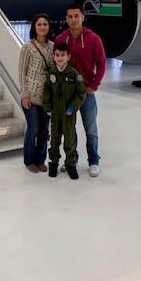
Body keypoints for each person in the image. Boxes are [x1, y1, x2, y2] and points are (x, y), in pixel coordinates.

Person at [53, 3, 106, 177]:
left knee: (91, 130)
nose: (74, 19)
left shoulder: (93, 39)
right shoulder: (61, 39)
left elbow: (102, 64)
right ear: (66, 19)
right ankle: (72, 159)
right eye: (70, 16)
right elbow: (56, 63)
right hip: (67, 94)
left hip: (86, 94)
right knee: (69, 130)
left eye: (77, 16)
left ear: (83, 17)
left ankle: (94, 162)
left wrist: (93, 86)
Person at [42, 43, 87, 179]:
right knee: (55, 140)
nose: (60, 58)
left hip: (68, 114)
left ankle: (71, 165)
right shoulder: (51, 73)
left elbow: (81, 93)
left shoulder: (74, 74)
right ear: (53, 57)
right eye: (57, 55)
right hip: (55, 114)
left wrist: (72, 107)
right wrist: (48, 107)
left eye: (63, 55)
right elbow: (47, 92)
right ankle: (53, 164)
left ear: (68, 57)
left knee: (70, 141)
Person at [17, 13, 54, 173]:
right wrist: (24, 94)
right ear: (34, 27)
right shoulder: (28, 47)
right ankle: (29, 160)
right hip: (31, 96)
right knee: (33, 129)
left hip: (47, 97)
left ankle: (40, 159)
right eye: (39, 24)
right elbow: (21, 71)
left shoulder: (53, 47)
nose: (42, 27)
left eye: (45, 24)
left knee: (44, 130)